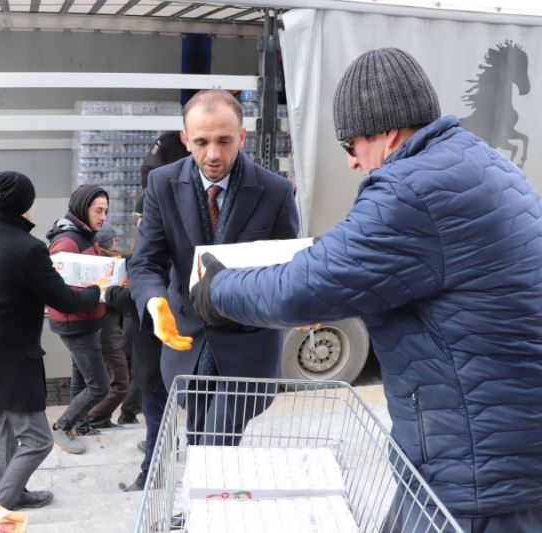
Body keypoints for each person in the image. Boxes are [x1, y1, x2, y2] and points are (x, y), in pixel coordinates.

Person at [190, 48, 542, 531]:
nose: (354, 164)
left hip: (477, 466)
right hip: (501, 444)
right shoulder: (481, 164)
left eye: (350, 147)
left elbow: (301, 290)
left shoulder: (412, 190)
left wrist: (218, 289)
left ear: (386, 133)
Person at [128, 89, 299, 446]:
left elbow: (286, 268)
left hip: (247, 345)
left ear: (242, 136)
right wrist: (153, 301)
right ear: (185, 139)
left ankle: (207, 495)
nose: (213, 154)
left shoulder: (276, 191)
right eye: (202, 142)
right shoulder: (162, 184)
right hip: (187, 339)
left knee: (215, 445)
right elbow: (146, 260)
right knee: (197, 436)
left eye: (224, 140)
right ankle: (207, 497)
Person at [0, 171, 101, 511]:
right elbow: (66, 301)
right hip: (12, 361)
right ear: (27, 204)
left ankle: (15, 491)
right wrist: (101, 289)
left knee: (8, 432)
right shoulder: (28, 249)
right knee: (39, 441)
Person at [46, 184, 111, 453]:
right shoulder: (67, 241)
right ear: (83, 208)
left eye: (106, 211)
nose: (103, 216)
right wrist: (100, 287)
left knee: (81, 376)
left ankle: (79, 424)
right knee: (99, 385)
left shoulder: (86, 235)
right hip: (75, 322)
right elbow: (59, 288)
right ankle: (63, 426)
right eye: (99, 210)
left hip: (87, 318)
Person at [112, 194, 168, 492]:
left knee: (157, 415)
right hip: (161, 354)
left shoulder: (155, 256)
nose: (139, 224)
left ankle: (151, 474)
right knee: (158, 417)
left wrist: (113, 294)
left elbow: (137, 297)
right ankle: (155, 452)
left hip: (157, 353)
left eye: (142, 219)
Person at [84, 222, 130, 429]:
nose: (118, 242)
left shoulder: (111, 262)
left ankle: (101, 419)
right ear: (104, 243)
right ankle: (93, 419)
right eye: (114, 239)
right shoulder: (106, 267)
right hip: (107, 335)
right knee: (120, 384)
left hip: (107, 332)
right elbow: (113, 300)